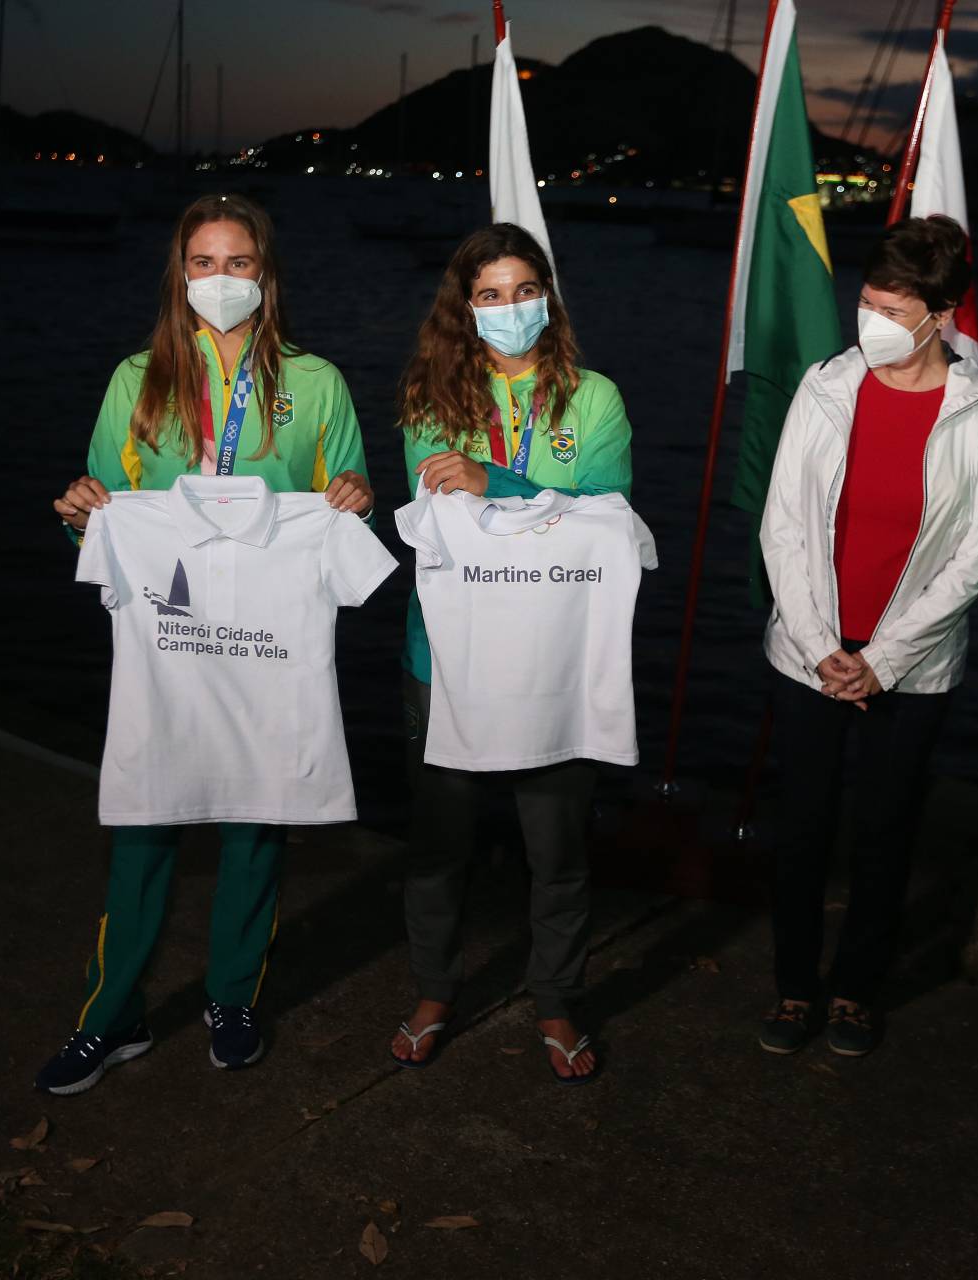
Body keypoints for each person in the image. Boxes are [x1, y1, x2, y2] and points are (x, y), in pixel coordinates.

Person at [37, 193, 375, 1096]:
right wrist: (80, 515)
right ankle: (112, 1017)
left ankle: (232, 997)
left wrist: (352, 502)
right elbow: (102, 519)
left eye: (238, 264)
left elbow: (347, 508)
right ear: (177, 274)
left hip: (264, 650)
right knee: (144, 826)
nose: (219, 281)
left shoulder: (319, 385)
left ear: (267, 275)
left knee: (254, 825)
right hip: (169, 646)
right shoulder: (134, 379)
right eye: (202, 263)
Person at [756, 215, 978, 1058]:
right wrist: (818, 645)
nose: (872, 322)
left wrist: (882, 661)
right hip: (809, 656)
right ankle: (795, 988)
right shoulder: (827, 386)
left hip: (911, 669)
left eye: (893, 310)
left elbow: (977, 557)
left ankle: (855, 993)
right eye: (867, 303)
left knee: (885, 832)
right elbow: (783, 525)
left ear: (941, 315)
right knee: (799, 828)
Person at [388, 222, 632, 1084]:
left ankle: (557, 998)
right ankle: (432, 989)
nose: (509, 309)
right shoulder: (430, 396)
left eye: (525, 290)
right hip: (445, 660)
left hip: (557, 661)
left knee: (556, 848)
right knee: (438, 844)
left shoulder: (593, 398)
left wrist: (504, 481)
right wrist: (538, 500)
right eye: (489, 295)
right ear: (463, 308)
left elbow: (611, 519)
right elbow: (434, 523)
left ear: (548, 298)